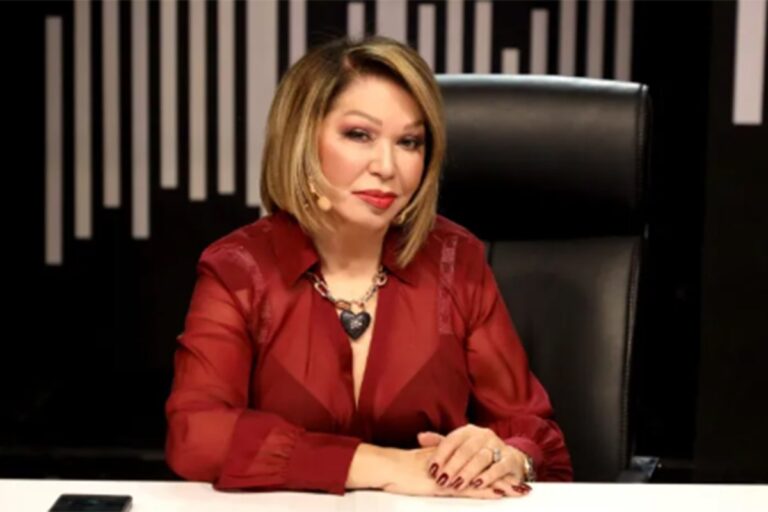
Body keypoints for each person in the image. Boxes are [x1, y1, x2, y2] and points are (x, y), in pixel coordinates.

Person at [165, 35, 572, 499]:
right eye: (359, 135)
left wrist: (507, 456)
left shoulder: (455, 260)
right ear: (302, 139)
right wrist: (385, 466)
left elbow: (532, 431)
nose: (387, 165)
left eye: (409, 142)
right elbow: (196, 433)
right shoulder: (239, 270)